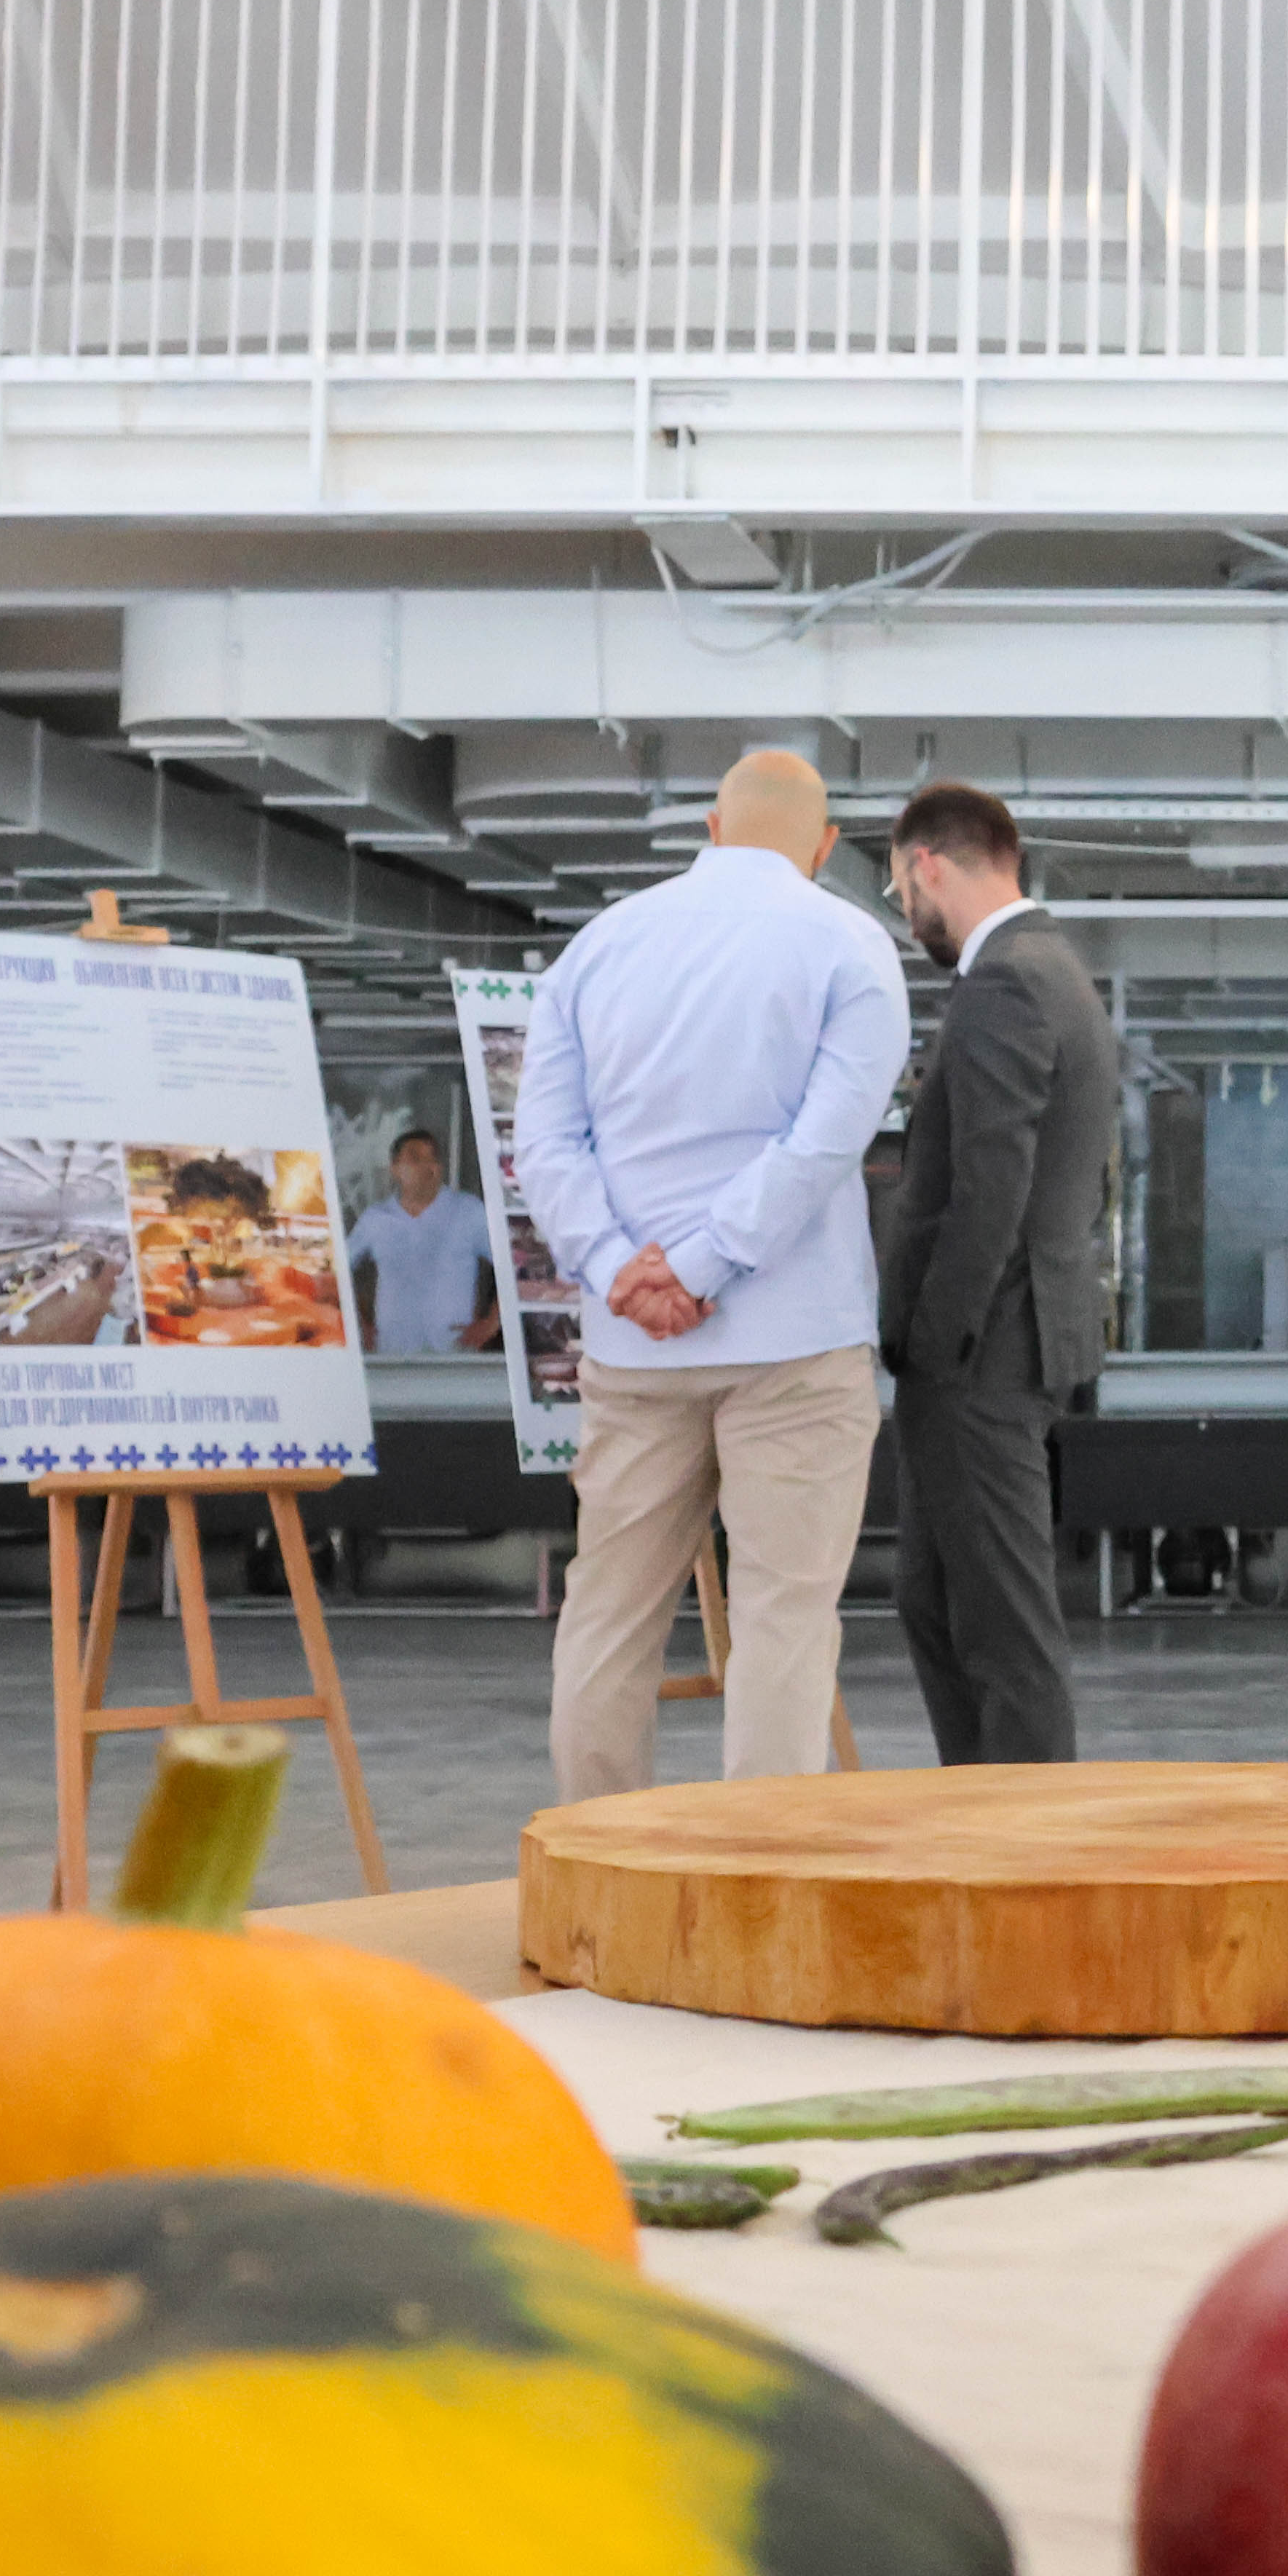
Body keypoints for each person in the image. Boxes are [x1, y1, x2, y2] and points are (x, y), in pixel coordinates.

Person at [514, 749, 908, 1801]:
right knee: (784, 1620)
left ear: (709, 824)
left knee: (608, 1613)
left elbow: (545, 1146)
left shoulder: (596, 950)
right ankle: (762, 1881)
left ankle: (598, 1867)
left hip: (634, 1347)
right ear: (826, 848)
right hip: (796, 1341)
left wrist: (623, 1270)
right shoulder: (851, 947)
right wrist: (704, 1262)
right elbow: (825, 1147)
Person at [876, 782, 1121, 1768]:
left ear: (928, 864)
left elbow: (990, 1193)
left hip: (979, 1354)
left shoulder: (1007, 983)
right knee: (936, 1601)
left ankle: (1028, 1853)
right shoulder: (1056, 971)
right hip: (1013, 1341)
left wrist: (931, 1348)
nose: (909, 914)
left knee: (1004, 1628)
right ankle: (977, 1819)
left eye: (901, 892)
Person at [348, 1127, 495, 1356]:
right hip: (391, 1356)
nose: (427, 1167)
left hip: (455, 1356)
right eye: (415, 1159)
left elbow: (513, 1270)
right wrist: (359, 1326)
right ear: (395, 1169)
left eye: (433, 1159)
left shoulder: (469, 1211)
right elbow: (338, 1273)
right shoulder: (375, 1219)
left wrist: (490, 1325)